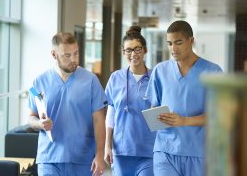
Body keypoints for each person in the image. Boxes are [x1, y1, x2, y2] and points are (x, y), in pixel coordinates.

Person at [145, 20, 222, 176]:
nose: (173, 49)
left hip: (198, 152)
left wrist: (184, 121)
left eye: (178, 42)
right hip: (165, 150)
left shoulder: (213, 72)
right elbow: (154, 106)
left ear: (191, 40)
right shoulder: (160, 71)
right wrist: (158, 117)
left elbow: (218, 115)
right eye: (170, 43)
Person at [28, 32, 107, 176]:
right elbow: (31, 117)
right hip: (49, 158)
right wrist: (40, 124)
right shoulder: (38, 82)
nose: (73, 59)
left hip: (82, 159)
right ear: (54, 55)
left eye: (76, 53)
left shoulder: (91, 81)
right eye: (67, 55)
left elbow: (99, 120)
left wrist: (100, 155)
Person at [104, 26, 156, 176]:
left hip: (149, 150)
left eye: (137, 49)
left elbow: (161, 114)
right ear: (123, 52)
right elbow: (110, 115)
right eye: (129, 50)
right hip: (122, 150)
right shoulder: (115, 78)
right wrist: (108, 146)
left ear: (145, 50)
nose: (133, 54)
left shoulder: (155, 78)